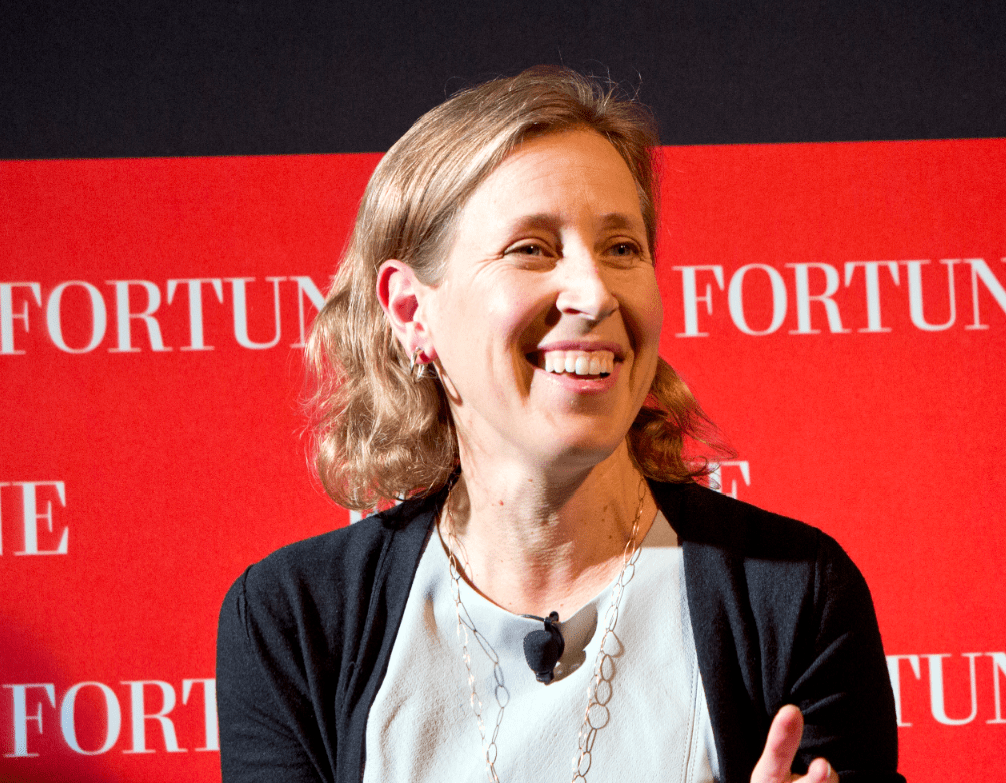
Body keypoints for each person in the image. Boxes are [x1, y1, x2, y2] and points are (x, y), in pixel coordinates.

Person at [217, 65, 902, 783]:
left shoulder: (793, 594)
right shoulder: (293, 620)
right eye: (532, 249)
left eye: (622, 249)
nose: (594, 290)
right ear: (413, 312)